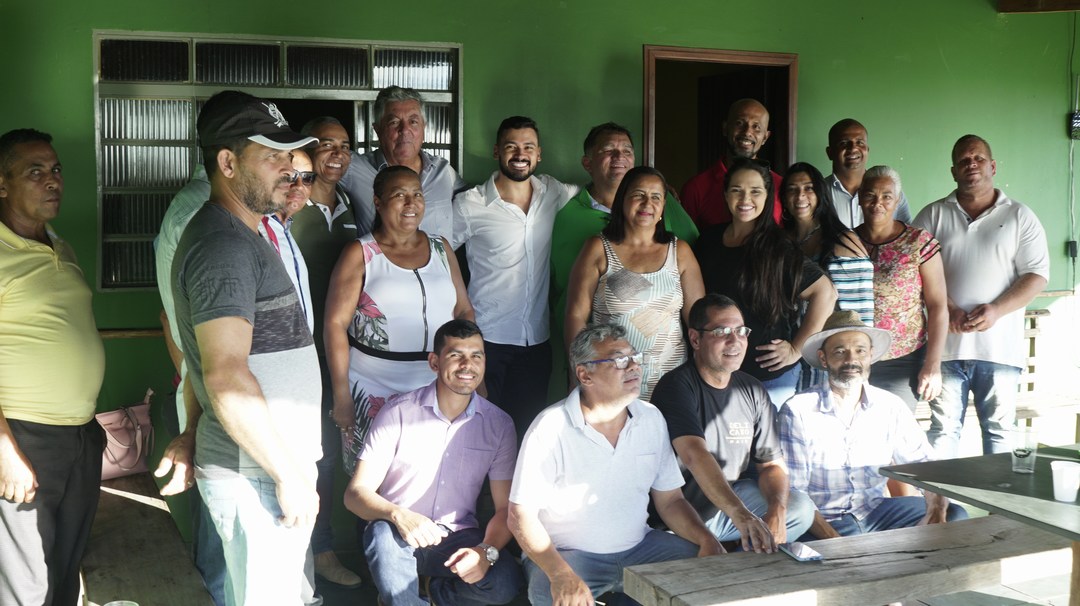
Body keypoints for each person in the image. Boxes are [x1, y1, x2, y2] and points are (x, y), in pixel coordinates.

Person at [171, 90, 322, 605]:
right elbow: (224, 374)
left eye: (289, 155)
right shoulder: (224, 247)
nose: (290, 168)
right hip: (256, 472)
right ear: (228, 163)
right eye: (273, 156)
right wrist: (287, 474)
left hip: (266, 468)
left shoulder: (245, 234)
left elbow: (209, 363)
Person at [509, 323, 724, 606]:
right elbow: (520, 516)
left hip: (640, 548)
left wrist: (707, 539)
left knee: (715, 571)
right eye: (620, 360)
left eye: (635, 358)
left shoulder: (650, 418)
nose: (634, 367)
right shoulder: (551, 426)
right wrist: (561, 574)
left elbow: (671, 500)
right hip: (567, 555)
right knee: (551, 593)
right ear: (584, 375)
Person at [345, 320, 523, 605]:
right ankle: (403, 596)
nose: (467, 365)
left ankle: (428, 592)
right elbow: (355, 494)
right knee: (381, 534)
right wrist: (399, 515)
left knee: (504, 583)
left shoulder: (499, 425)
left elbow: (505, 509)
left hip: (458, 537)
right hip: (398, 533)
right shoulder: (397, 413)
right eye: (456, 355)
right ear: (434, 362)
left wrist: (484, 552)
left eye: (476, 356)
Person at [0, 128, 106, 606]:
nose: (53, 180)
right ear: (2, 184)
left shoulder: (61, 247)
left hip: (80, 436)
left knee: (65, 570)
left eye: (56, 170)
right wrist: (5, 451)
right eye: (35, 171)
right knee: (25, 585)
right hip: (23, 437)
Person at [325, 165, 473, 476]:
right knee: (372, 480)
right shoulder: (360, 253)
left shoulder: (441, 248)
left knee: (429, 477)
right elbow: (335, 325)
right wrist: (342, 396)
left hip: (436, 385)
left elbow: (463, 312)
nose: (411, 203)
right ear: (378, 202)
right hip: (374, 385)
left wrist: (472, 375)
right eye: (399, 195)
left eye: (417, 194)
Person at [913, 135, 1050, 457]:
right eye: (963, 160)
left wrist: (996, 310)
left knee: (999, 431)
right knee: (944, 430)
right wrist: (948, 308)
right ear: (953, 171)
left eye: (978, 159)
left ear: (993, 166)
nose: (971, 165)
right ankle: (940, 494)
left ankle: (999, 494)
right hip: (945, 350)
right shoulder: (933, 215)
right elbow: (911, 270)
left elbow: (1036, 275)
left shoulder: (1019, 215)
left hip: (999, 351)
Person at [778, 311, 968, 537]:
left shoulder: (890, 405)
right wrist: (835, 542)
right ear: (824, 358)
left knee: (954, 515)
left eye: (860, 351)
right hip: (824, 519)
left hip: (877, 513)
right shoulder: (798, 410)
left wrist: (936, 507)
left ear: (870, 355)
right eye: (840, 351)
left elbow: (924, 464)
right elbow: (795, 493)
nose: (851, 360)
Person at [651, 294, 815, 550]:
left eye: (741, 331)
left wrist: (777, 509)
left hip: (730, 503)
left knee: (800, 508)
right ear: (695, 339)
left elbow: (771, 464)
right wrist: (741, 514)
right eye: (722, 331)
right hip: (683, 509)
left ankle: (745, 559)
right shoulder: (676, 387)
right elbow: (694, 454)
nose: (735, 340)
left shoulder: (752, 389)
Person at [549, 122, 698, 400]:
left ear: (664, 206)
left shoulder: (680, 249)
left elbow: (697, 318)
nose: (647, 204)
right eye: (638, 195)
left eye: (655, 197)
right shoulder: (591, 240)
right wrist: (576, 373)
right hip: (610, 380)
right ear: (623, 201)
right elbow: (575, 314)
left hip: (671, 380)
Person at [451, 116, 577, 435]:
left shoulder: (553, 192)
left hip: (536, 343)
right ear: (497, 151)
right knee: (477, 433)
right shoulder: (470, 204)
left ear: (539, 154)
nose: (520, 154)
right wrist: (461, 304)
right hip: (485, 340)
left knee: (525, 435)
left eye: (528, 147)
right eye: (511, 146)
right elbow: (436, 254)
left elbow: (600, 196)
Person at [693, 158, 837, 406]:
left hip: (767, 377)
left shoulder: (778, 246)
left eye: (755, 191)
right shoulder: (708, 240)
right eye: (736, 190)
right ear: (725, 194)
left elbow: (826, 292)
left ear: (768, 196)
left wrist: (796, 349)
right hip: (715, 371)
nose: (745, 199)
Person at [290, 117, 364, 588]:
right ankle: (310, 553)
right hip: (297, 354)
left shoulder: (353, 205)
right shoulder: (290, 203)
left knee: (341, 456)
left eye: (345, 146)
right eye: (326, 145)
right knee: (311, 457)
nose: (337, 154)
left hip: (344, 352)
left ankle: (328, 549)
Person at [152, 160, 227, 604]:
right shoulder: (204, 214)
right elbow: (184, 323)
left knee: (217, 518)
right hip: (215, 399)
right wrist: (191, 385)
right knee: (221, 524)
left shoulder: (204, 207)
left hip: (205, 392)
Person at [853, 166, 947, 413]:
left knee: (894, 428)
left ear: (897, 201)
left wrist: (933, 364)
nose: (878, 203)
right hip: (852, 357)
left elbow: (938, 305)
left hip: (903, 360)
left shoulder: (918, 242)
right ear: (860, 198)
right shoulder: (846, 241)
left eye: (887, 196)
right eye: (870, 195)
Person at [339, 86, 466, 238]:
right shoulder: (354, 168)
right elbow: (319, 163)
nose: (405, 130)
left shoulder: (443, 172)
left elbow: (475, 208)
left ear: (424, 128)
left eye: (413, 121)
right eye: (394, 122)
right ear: (377, 130)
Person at [780, 162, 873, 325]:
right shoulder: (781, 241)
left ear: (820, 194)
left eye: (809, 188)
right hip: (789, 337)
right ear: (784, 199)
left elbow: (857, 317)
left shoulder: (843, 242)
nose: (800, 196)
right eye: (792, 189)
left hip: (831, 338)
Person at [680, 99, 783, 230]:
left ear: (765, 137)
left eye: (756, 127)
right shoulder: (695, 188)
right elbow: (685, 239)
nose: (747, 132)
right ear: (725, 128)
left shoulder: (781, 186)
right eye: (739, 123)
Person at [823, 118, 911, 228]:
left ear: (867, 149)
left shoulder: (892, 193)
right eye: (843, 143)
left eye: (859, 142)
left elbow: (907, 234)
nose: (853, 148)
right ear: (830, 152)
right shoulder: (818, 193)